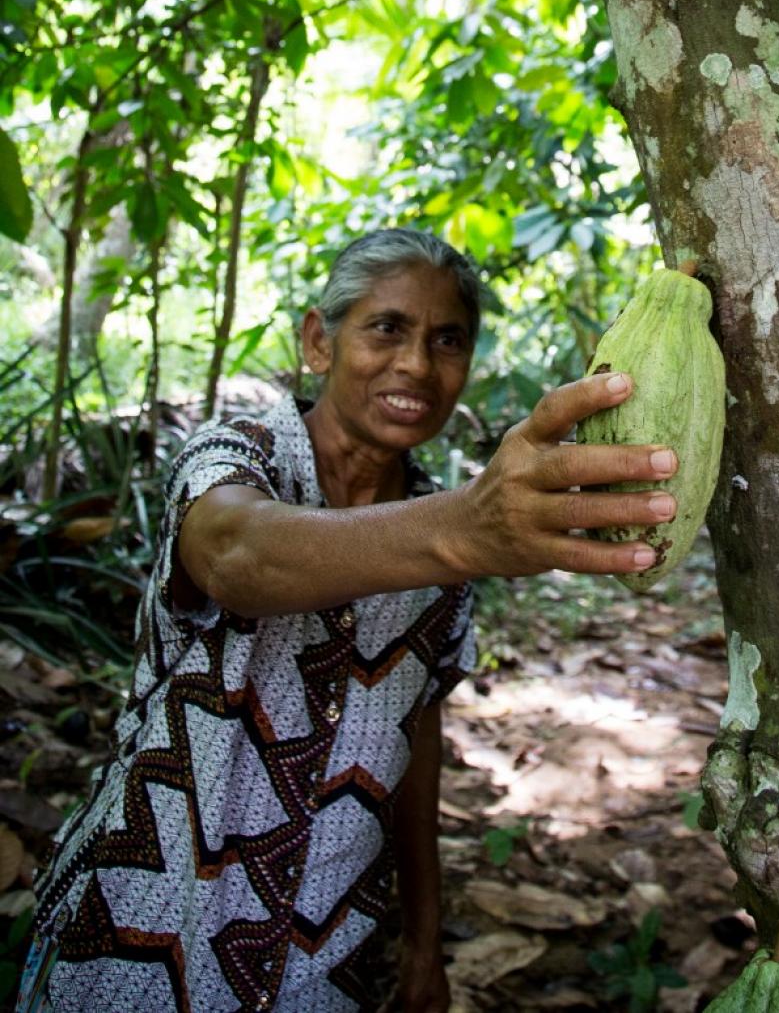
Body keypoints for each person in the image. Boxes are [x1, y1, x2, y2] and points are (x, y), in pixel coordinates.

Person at [20, 228, 678, 1013]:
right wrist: (463, 530)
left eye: (447, 340)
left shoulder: (448, 533)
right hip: (147, 930)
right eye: (386, 328)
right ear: (317, 342)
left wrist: (423, 941)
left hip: (322, 954)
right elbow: (237, 557)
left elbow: (416, 739)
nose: (415, 365)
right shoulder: (237, 455)